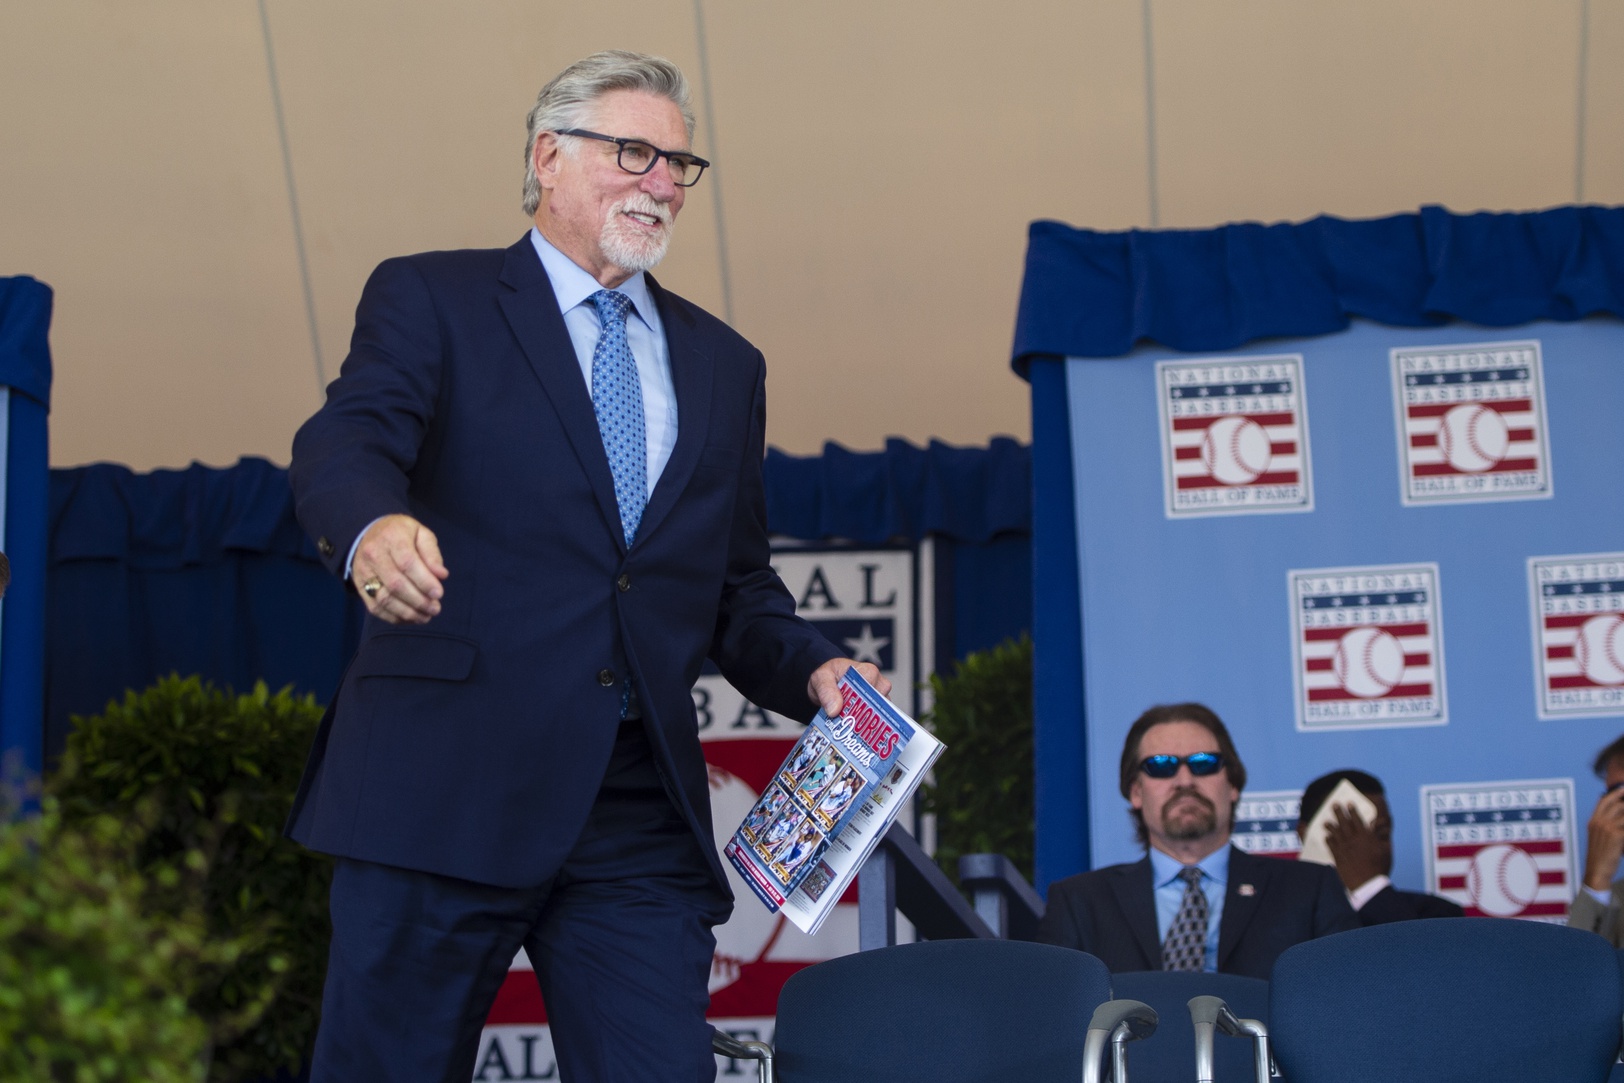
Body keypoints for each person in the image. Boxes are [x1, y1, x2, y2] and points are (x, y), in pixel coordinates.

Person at [286, 50, 887, 1083]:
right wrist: (373, 528)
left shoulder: (724, 363)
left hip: (633, 809)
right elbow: (348, 442)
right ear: (548, 157)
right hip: (444, 785)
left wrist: (817, 673)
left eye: (678, 164)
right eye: (634, 151)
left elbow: (736, 588)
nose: (660, 182)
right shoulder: (435, 296)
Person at [1037, 703, 1357, 977]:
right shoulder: (1079, 901)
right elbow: (1059, 1023)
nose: (1185, 780)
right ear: (1135, 791)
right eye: (1161, 766)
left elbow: (1343, 1007)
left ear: (1232, 784)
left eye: (1204, 763)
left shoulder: (1310, 889)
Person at [1294, 769, 1462, 925]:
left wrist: (1369, 888)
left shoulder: (1437, 915)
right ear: (1305, 834)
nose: (1368, 849)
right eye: (1350, 835)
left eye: (1381, 834)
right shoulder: (1274, 913)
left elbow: (1419, 955)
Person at [1569, 734, 1624, 945]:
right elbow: (1577, 971)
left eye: (1620, 795)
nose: (1606, 814)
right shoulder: (1614, 901)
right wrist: (1596, 881)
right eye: (1609, 797)